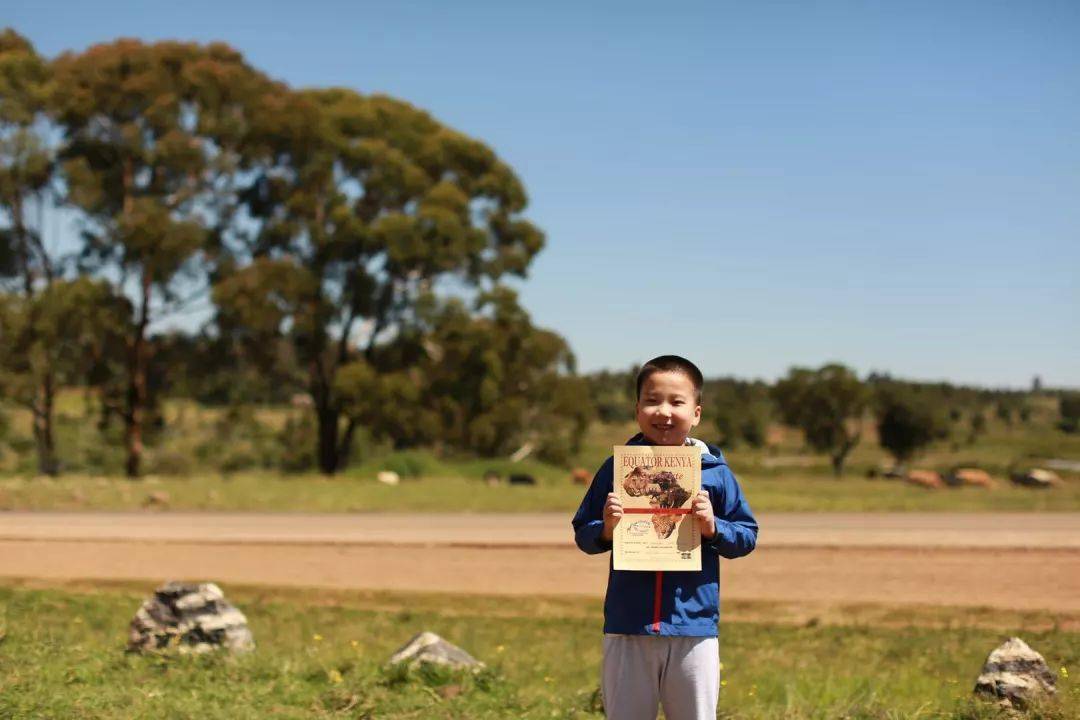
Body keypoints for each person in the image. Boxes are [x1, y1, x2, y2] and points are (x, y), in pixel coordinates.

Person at [572, 355, 758, 720]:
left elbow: (747, 535)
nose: (664, 412)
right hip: (628, 627)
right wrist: (606, 529)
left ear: (697, 412)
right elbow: (583, 531)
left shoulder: (716, 474)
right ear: (637, 408)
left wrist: (713, 527)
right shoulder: (616, 469)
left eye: (677, 402)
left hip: (694, 628)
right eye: (652, 400)